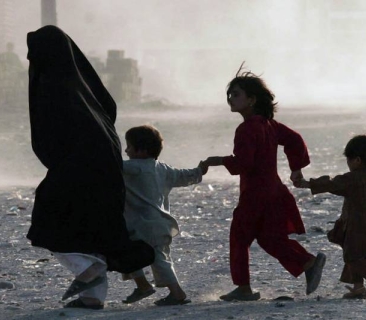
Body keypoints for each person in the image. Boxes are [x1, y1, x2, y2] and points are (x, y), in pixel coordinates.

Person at [26, 25, 154, 310]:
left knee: (48, 217)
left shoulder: (55, 87)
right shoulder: (84, 89)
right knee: (93, 225)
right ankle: (92, 297)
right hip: (104, 167)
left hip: (80, 165)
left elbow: (52, 135)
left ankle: (87, 270)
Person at [201, 68, 326, 301]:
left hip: (255, 194)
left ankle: (244, 288)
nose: (231, 99)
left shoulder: (247, 128)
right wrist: (296, 168)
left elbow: (244, 164)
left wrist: (216, 160)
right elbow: (295, 140)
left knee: (239, 237)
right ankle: (307, 262)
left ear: (252, 99)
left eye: (236, 94)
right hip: (275, 192)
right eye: (230, 95)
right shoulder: (270, 125)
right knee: (270, 238)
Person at [294, 132, 366, 299]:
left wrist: (308, 183)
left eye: (349, 160)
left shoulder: (355, 178)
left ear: (357, 160)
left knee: (352, 257)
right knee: (357, 255)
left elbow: (333, 183)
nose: (348, 164)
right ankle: (358, 288)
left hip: (357, 225)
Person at [120, 125, 207, 306]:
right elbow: (184, 176)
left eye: (128, 146)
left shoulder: (133, 167)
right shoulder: (163, 169)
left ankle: (176, 293)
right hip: (160, 224)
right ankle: (145, 286)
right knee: (158, 258)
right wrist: (200, 170)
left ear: (142, 150)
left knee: (144, 256)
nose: (126, 150)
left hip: (143, 225)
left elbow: (108, 167)